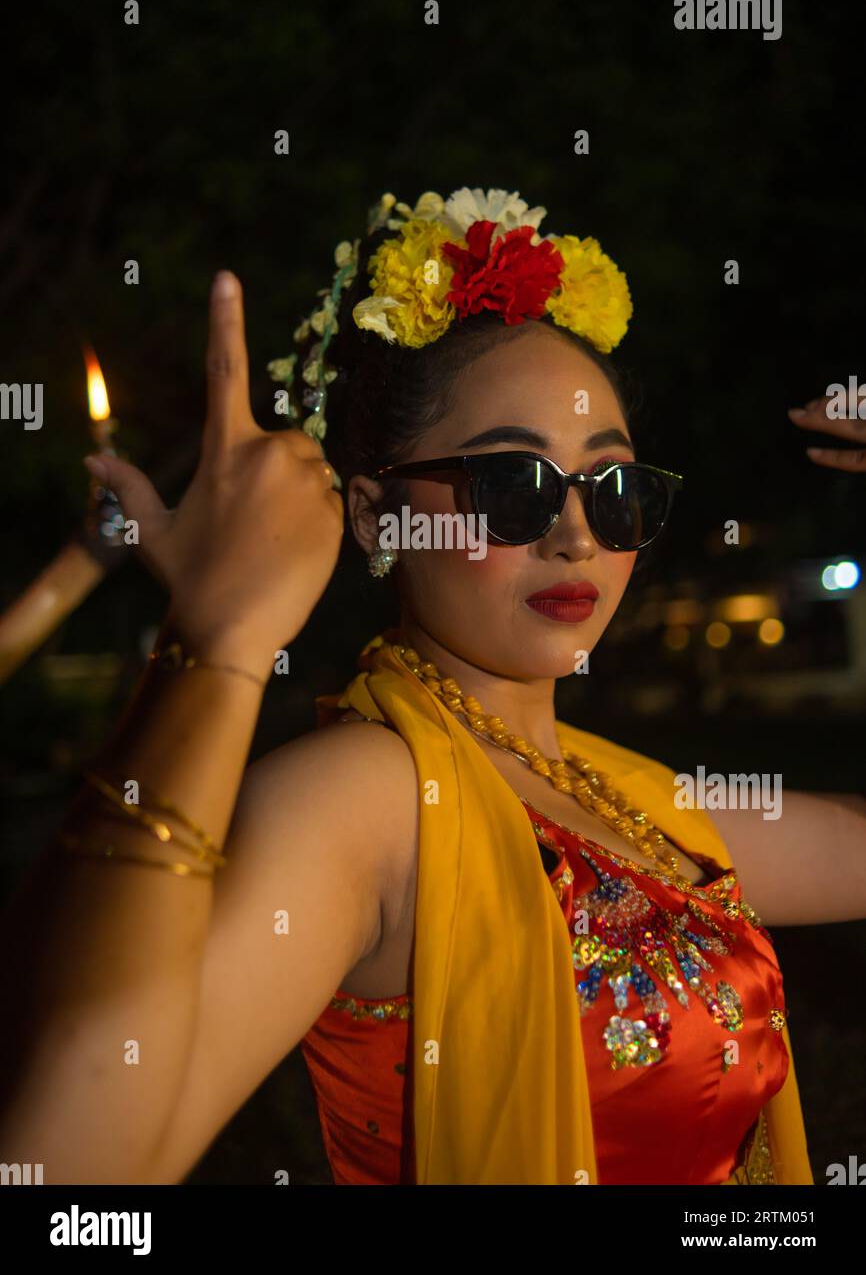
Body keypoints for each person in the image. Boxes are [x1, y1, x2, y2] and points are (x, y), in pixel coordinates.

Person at [0, 187, 862, 1187]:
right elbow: (67, 1166)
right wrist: (220, 644)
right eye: (511, 484)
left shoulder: (638, 804)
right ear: (373, 518)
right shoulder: (359, 799)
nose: (574, 533)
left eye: (612, 488)